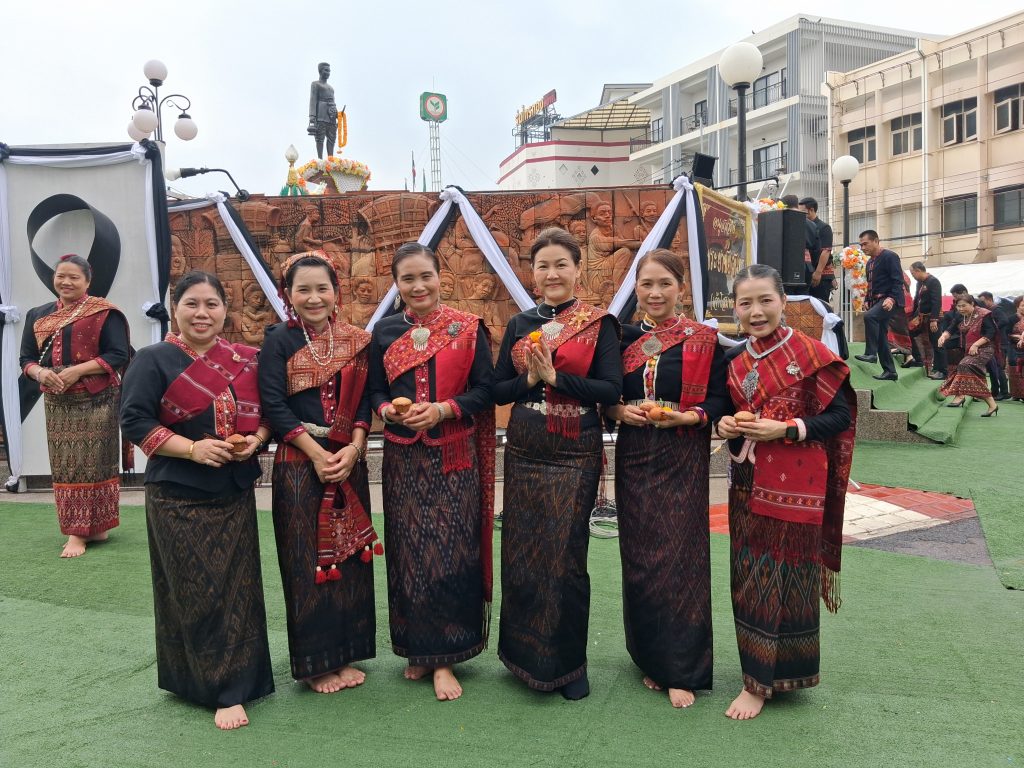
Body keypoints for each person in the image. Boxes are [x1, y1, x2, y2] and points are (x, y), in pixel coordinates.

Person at [120, 271, 274, 730]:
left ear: (225, 309)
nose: (202, 313)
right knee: (195, 589)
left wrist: (254, 441)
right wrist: (192, 449)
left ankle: (244, 680)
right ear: (175, 309)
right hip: (177, 493)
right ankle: (218, 690)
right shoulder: (152, 359)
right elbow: (134, 420)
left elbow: (266, 416)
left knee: (240, 588)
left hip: (234, 490)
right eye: (192, 304)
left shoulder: (245, 360)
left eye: (211, 304)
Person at [716, 264, 856, 721]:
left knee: (789, 579)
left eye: (765, 301)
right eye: (745, 303)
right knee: (750, 578)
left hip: (796, 485)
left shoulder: (812, 354)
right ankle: (758, 673)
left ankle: (768, 681)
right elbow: (726, 410)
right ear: (735, 309)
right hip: (746, 482)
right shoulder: (735, 359)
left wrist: (789, 428)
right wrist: (726, 423)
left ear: (782, 302)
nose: (756, 312)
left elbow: (839, 417)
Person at [493, 226, 623, 701]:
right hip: (526, 443)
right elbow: (497, 390)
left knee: (566, 555)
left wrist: (556, 378)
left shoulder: (599, 323)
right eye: (543, 266)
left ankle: (567, 666)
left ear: (577, 269)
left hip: (574, 447)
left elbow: (610, 390)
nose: (552, 274)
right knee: (522, 549)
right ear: (532, 273)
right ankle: (522, 658)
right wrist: (530, 380)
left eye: (561, 265)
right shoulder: (519, 323)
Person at [367, 242, 495, 702]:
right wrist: (389, 411)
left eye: (426, 276)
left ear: (441, 277)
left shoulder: (467, 327)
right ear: (396, 284)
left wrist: (443, 409)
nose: (418, 286)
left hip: (454, 455)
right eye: (408, 279)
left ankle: (445, 659)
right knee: (408, 552)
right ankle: (417, 648)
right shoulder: (384, 331)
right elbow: (375, 391)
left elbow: (487, 390)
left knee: (450, 550)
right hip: (403, 456)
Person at [605, 249, 729, 709]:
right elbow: (607, 396)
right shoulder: (621, 339)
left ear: (681, 288)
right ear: (636, 289)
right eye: (646, 284)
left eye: (664, 284)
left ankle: (681, 668)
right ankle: (650, 657)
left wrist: (690, 417)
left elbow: (719, 400)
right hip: (635, 453)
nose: (655, 293)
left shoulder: (704, 340)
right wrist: (619, 411)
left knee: (681, 558)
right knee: (640, 557)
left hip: (682, 454)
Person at [258, 252, 377, 695]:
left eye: (321, 288)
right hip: (299, 465)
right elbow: (274, 404)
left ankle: (346, 654)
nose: (313, 297)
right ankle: (316, 665)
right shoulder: (278, 341)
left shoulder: (357, 340)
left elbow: (365, 402)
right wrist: (315, 453)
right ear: (287, 295)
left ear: (336, 291)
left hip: (348, 462)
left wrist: (355, 448)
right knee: (306, 562)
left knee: (351, 559)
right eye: (302, 289)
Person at [20, 254, 130, 558]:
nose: (66, 282)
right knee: (66, 465)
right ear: (53, 278)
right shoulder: (37, 315)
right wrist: (40, 373)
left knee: (96, 462)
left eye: (74, 277)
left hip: (98, 398)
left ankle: (86, 530)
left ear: (87, 281)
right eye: (61, 276)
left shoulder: (103, 312)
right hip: (58, 401)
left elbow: (118, 354)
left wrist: (77, 371)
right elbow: (26, 359)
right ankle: (82, 530)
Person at [937, 295, 1000, 417]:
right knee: (968, 371)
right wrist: (943, 336)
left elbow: (991, 332)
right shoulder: (960, 315)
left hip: (985, 348)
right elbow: (951, 328)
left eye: (964, 306)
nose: (961, 309)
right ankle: (991, 404)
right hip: (970, 349)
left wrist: (976, 345)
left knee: (964, 365)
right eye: (958, 306)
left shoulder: (983, 314)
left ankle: (960, 396)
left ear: (972, 304)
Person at [854, 230, 904, 380]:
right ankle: (890, 371)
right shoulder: (870, 262)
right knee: (881, 336)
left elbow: (898, 280)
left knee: (870, 317)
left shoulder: (890, 256)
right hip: (877, 301)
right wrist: (867, 300)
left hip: (890, 300)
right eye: (861, 245)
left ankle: (871, 353)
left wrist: (892, 299)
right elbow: (871, 285)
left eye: (865, 244)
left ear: (876, 241)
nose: (863, 248)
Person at [907, 262, 947, 380]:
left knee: (937, 342)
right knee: (910, 332)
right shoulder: (919, 283)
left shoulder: (933, 281)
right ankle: (918, 359)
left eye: (913, 273)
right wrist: (912, 315)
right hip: (921, 317)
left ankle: (942, 371)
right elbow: (916, 300)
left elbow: (936, 301)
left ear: (918, 271)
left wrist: (934, 320)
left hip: (933, 317)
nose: (912, 276)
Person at [977, 291, 1014, 401]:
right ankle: (996, 391)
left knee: (999, 367)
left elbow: (1005, 320)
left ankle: (1004, 392)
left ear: (989, 300)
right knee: (993, 368)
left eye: (983, 301)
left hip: (1000, 343)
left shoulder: (996, 309)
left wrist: (993, 328)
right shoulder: (988, 311)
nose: (981, 304)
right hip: (994, 343)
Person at [798, 197, 835, 304]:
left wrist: (818, 273)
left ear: (811, 210)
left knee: (820, 305)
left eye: (802, 212)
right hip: (808, 274)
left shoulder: (824, 227)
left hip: (821, 275)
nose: (800, 215)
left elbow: (826, 251)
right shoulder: (802, 226)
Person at [308, 62, 339, 160]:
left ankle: (330, 159)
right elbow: (313, 100)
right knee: (320, 138)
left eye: (329, 71)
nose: (328, 73)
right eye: (326, 70)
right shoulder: (315, 84)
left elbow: (333, 102)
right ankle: (320, 160)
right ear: (320, 71)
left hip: (331, 115)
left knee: (332, 138)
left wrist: (338, 114)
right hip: (320, 114)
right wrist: (312, 116)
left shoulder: (331, 88)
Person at [940, 284, 970, 368]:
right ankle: (944, 369)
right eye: (959, 306)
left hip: (976, 337)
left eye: (956, 296)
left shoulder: (978, 306)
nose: (954, 298)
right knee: (941, 343)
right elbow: (954, 324)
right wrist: (945, 334)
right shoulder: (957, 312)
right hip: (959, 336)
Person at [1008, 297, 1024, 401]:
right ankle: (1015, 394)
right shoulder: (1011, 319)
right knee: (1014, 368)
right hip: (1014, 347)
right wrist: (1016, 336)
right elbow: (1006, 333)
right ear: (1017, 306)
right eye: (1023, 305)